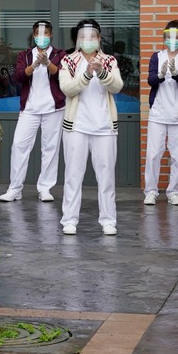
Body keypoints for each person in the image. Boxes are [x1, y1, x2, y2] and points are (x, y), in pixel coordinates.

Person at [58, 19, 123, 236]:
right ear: (77, 38)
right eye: (83, 36)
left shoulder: (109, 60)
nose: (88, 40)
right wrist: (86, 74)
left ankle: (108, 220)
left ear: (99, 38)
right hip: (77, 126)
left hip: (104, 127)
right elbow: (67, 89)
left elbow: (117, 86)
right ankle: (69, 219)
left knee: (106, 176)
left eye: (92, 36)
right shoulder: (68, 60)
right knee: (73, 175)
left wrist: (102, 72)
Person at [0, 20, 66, 203]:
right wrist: (36, 64)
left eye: (45, 33)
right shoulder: (26, 55)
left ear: (51, 35)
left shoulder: (59, 54)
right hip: (30, 108)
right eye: (38, 33)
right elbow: (18, 76)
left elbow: (63, 76)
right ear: (33, 35)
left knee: (50, 148)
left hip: (53, 108)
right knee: (19, 146)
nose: (41, 37)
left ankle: (45, 188)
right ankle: (15, 189)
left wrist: (48, 63)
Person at [144, 19, 178, 206]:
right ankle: (151, 191)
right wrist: (160, 74)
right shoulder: (156, 57)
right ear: (164, 38)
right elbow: (150, 80)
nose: (173, 40)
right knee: (153, 154)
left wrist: (175, 73)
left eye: (177, 37)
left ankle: (174, 192)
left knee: (177, 156)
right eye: (169, 37)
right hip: (158, 113)